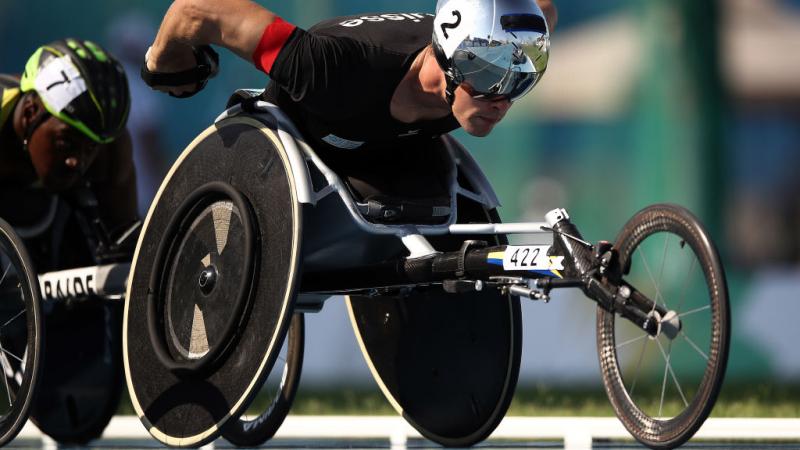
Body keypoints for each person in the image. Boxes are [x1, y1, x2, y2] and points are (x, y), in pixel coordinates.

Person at [143, 0, 555, 203]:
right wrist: (165, 62)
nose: (502, 101)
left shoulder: (493, 57)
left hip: (389, 152)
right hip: (295, 155)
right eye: (487, 78)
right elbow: (197, 9)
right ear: (447, 60)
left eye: (520, 82)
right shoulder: (330, 68)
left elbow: (542, 13)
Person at [0, 38, 138, 269]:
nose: (77, 161)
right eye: (66, 143)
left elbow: (128, 249)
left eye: (91, 148)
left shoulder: (111, 148)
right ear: (30, 113)